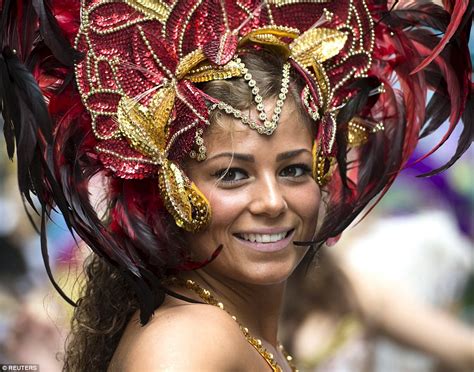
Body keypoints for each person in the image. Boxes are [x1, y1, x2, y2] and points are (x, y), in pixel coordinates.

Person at [0, 0, 471, 371]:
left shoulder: (229, 328)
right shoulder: (183, 348)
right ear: (168, 188)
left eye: (293, 170)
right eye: (232, 174)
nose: (272, 202)